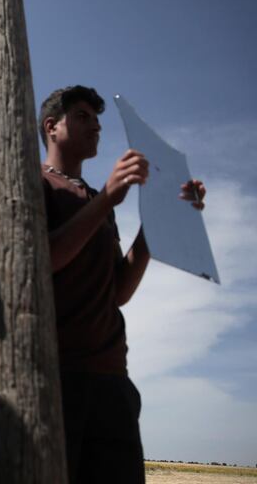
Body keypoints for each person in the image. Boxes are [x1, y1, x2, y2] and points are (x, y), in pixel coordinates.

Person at [38, 85, 206, 484]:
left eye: (98, 120)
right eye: (82, 117)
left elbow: (119, 292)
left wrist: (159, 219)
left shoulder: (99, 201)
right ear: (51, 127)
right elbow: (38, 264)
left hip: (113, 378)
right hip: (58, 378)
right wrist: (108, 200)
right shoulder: (35, 183)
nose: (96, 126)